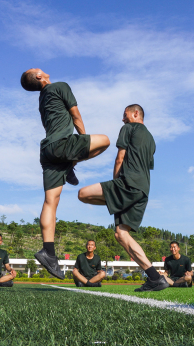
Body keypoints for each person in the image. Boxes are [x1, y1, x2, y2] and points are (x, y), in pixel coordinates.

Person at [21, 68, 110, 279]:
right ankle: (71, 165)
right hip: (62, 146)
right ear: (40, 77)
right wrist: (82, 141)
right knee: (105, 140)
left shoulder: (42, 99)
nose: (40, 69)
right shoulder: (59, 87)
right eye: (37, 70)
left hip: (47, 151)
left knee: (50, 201)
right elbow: (76, 115)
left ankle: (48, 252)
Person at [78, 104, 168, 292]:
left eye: (124, 114)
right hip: (143, 190)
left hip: (127, 184)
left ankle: (113, 199)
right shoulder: (151, 140)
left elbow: (120, 158)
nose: (122, 119)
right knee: (121, 234)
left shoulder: (129, 128)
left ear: (136, 113)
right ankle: (154, 277)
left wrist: (115, 184)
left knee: (82, 194)